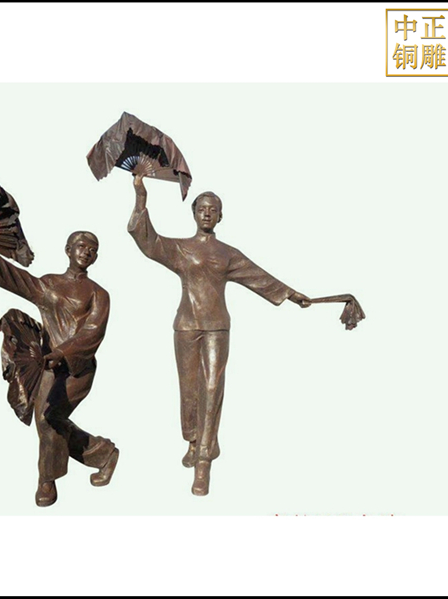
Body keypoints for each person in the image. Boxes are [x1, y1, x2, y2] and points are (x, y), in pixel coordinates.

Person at [128, 174, 311, 496]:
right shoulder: (181, 249)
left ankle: (204, 460)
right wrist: (141, 195)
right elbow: (148, 241)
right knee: (189, 389)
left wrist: (292, 294)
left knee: (212, 388)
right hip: (186, 325)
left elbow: (259, 277)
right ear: (194, 213)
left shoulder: (227, 254)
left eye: (213, 209)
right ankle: (193, 439)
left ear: (220, 216)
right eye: (202, 208)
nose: (207, 213)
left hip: (216, 327)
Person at [0, 228, 119, 507]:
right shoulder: (49, 284)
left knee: (48, 418)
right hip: (48, 366)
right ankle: (102, 453)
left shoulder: (99, 294)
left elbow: (92, 333)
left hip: (77, 368)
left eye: (93, 249)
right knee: (49, 421)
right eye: (81, 246)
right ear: (68, 250)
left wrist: (63, 352)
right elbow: (14, 278)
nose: (87, 252)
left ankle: (47, 481)